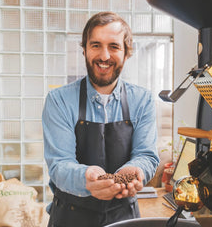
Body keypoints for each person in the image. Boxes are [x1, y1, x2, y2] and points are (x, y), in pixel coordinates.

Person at [42, 11, 159, 227]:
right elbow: (59, 164)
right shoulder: (58, 100)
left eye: (114, 46)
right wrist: (86, 177)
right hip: (70, 215)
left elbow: (146, 155)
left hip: (124, 215)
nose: (104, 56)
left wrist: (135, 171)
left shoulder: (142, 100)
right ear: (85, 50)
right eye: (96, 45)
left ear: (126, 53)